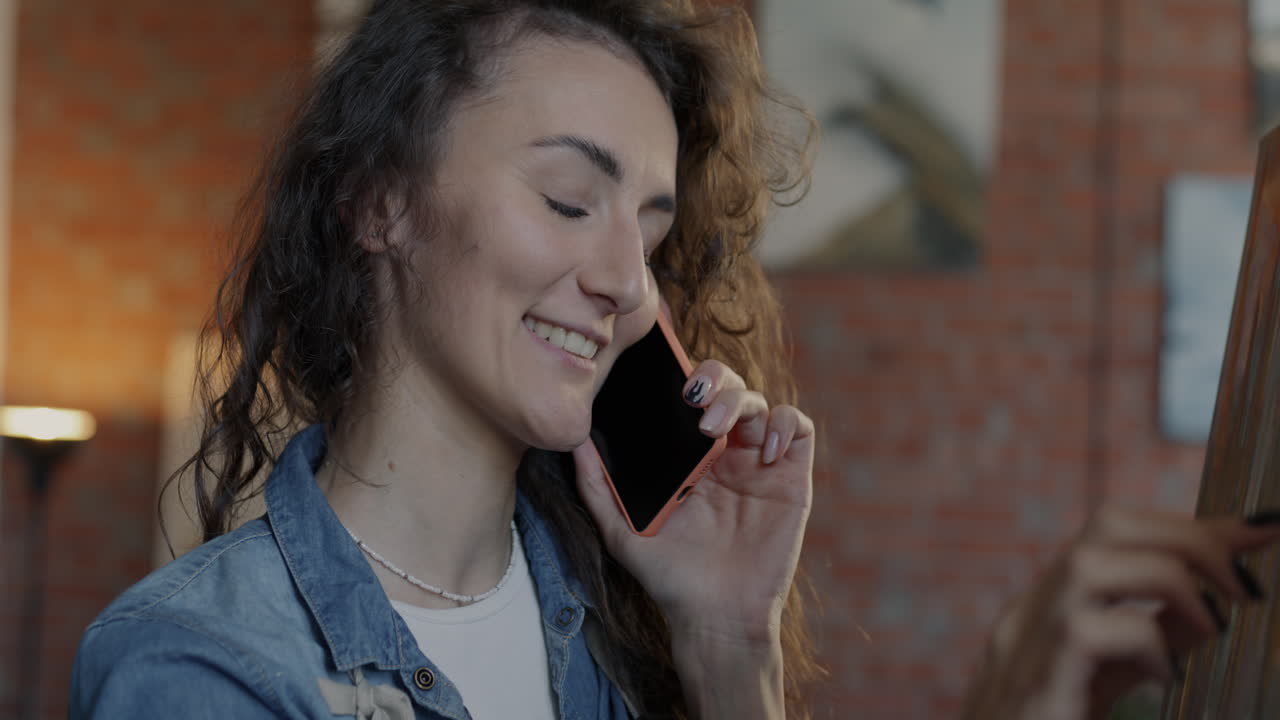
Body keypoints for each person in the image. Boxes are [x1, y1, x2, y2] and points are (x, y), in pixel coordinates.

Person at [68, 1, 1280, 719]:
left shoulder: (614, 632)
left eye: (649, 230)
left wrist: (726, 647)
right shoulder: (202, 663)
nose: (624, 282)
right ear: (380, 200)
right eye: (566, 197)